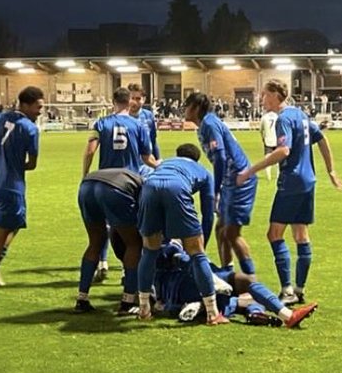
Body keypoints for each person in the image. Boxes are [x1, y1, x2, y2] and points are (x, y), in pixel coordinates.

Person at [236, 79, 342, 304]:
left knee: (274, 234)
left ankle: (287, 290)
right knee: (300, 235)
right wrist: (331, 171)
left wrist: (252, 169)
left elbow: (284, 150)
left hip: (292, 183)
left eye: (265, 95)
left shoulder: (283, 119)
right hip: (308, 181)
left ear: (276, 95)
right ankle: (299, 289)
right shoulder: (300, 115)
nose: (262, 99)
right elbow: (322, 139)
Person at [136, 144, 223, 324]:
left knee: (149, 251)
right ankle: (212, 313)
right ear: (196, 159)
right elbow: (208, 214)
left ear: (177, 154)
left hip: (149, 187)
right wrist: (201, 246)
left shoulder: (164, 164)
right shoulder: (204, 172)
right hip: (177, 188)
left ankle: (144, 308)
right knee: (197, 255)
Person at [0, 85, 44, 295]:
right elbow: (32, 164)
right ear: (25, 105)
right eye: (38, 107)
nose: (40, 111)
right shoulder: (30, 129)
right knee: (1, 235)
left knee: (12, 227)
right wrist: (16, 164)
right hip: (13, 188)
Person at [149, 239, 318, 328]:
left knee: (247, 282)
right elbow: (181, 260)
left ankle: (256, 312)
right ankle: (279, 314)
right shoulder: (158, 242)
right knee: (243, 294)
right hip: (183, 285)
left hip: (209, 274)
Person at [83, 86, 157, 281]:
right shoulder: (138, 125)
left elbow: (90, 151)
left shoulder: (101, 123)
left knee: (102, 228)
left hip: (102, 181)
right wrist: (162, 166)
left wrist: (85, 174)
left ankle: (101, 265)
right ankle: (129, 276)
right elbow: (148, 157)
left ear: (112, 101)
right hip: (128, 183)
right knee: (132, 233)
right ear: (129, 101)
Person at [183, 90, 258, 274]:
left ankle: (251, 281)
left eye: (187, 105)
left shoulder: (209, 123)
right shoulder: (205, 125)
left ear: (196, 107)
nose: (184, 109)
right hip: (231, 180)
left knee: (231, 233)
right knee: (220, 230)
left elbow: (220, 157)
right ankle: (228, 272)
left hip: (239, 180)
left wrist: (216, 190)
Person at [75, 167, 144, 314]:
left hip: (86, 186)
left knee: (95, 242)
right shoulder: (146, 186)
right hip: (115, 189)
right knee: (134, 244)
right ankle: (128, 302)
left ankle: (82, 299)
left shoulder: (135, 176)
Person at [127, 82, 161, 161]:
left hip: (147, 163)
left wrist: (158, 159)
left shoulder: (148, 116)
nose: (134, 102)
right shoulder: (122, 117)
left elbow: (153, 140)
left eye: (138, 99)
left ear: (144, 99)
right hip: (129, 163)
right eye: (132, 98)